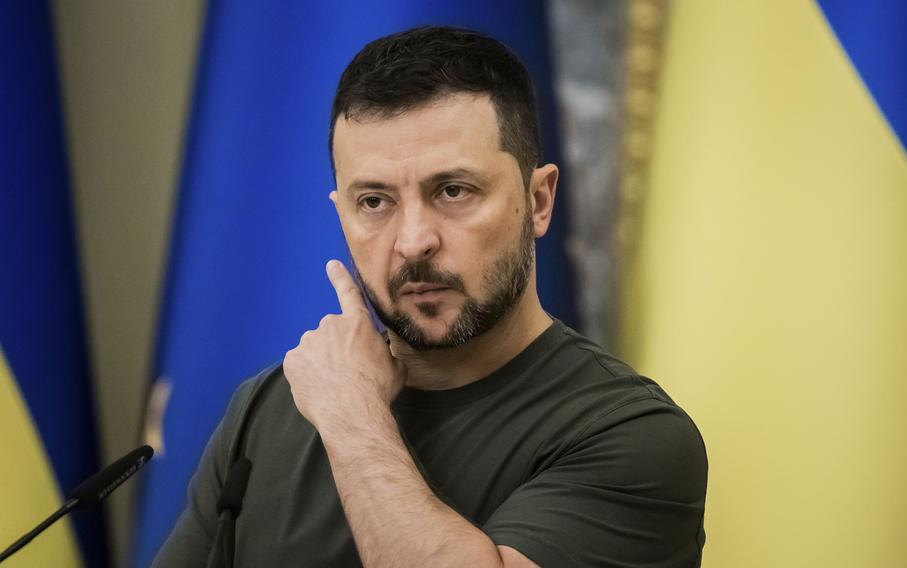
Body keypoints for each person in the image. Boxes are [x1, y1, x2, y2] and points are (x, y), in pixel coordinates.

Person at [153, 26, 707, 567]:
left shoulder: (633, 437)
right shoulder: (268, 407)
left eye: (453, 191)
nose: (413, 242)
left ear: (538, 201)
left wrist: (353, 420)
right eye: (374, 201)